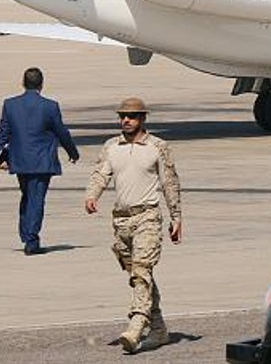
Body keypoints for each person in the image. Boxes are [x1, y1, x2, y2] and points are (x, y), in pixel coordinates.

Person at [84, 96, 182, 353]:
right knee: (140, 275)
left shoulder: (157, 147)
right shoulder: (111, 146)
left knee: (141, 271)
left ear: (142, 119)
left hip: (147, 217)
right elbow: (101, 174)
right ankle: (159, 329)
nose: (125, 120)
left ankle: (137, 324)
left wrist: (176, 217)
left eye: (131, 116)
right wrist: (92, 195)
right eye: (122, 116)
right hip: (121, 220)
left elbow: (169, 183)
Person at [0, 67, 79, 255]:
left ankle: (26, 234)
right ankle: (31, 240)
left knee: (27, 196)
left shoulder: (10, 104)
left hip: (20, 160)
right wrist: (72, 152)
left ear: (23, 83)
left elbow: (4, 131)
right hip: (42, 161)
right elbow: (61, 131)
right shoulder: (50, 106)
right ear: (41, 84)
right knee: (36, 199)